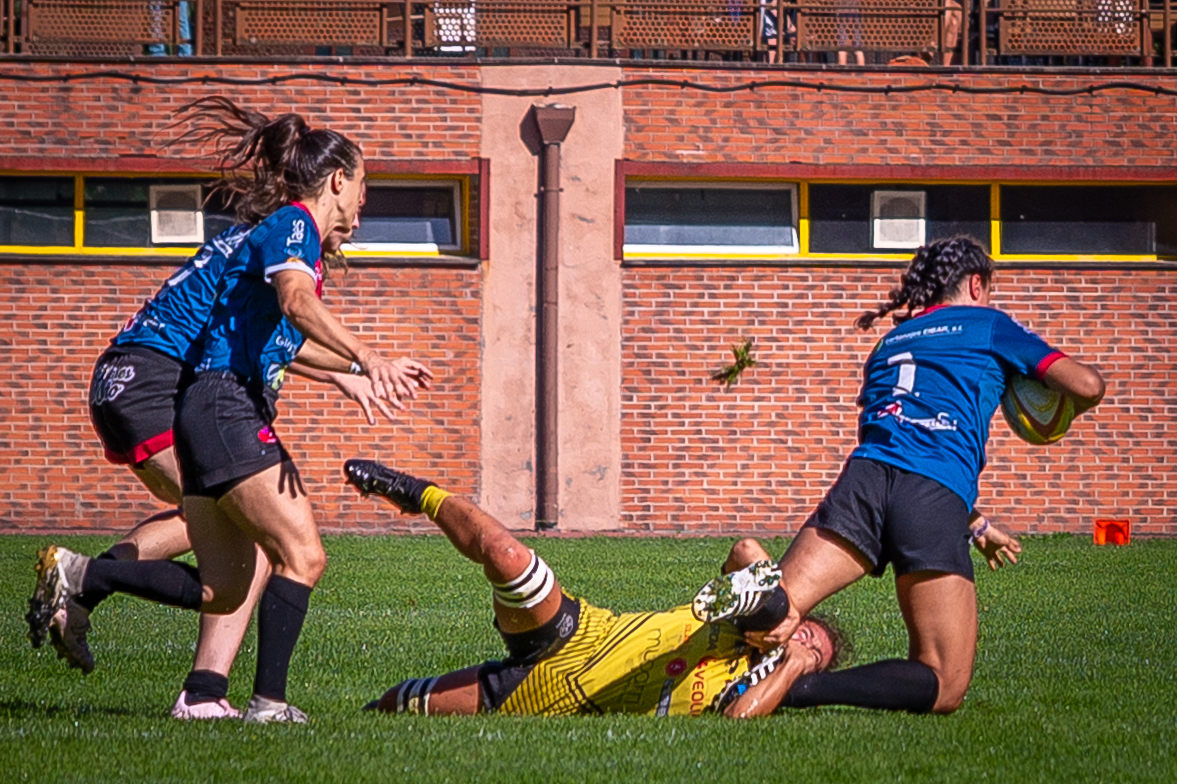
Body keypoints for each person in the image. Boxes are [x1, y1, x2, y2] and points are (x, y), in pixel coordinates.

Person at [28, 97, 432, 724]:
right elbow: (293, 307)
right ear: (337, 180)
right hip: (164, 381)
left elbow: (269, 336)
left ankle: (178, 669)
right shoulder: (292, 227)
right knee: (278, 546)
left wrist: (349, 375)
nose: (362, 211)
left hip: (156, 382)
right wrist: (367, 358)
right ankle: (201, 671)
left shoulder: (270, 235)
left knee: (239, 567)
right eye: (362, 190)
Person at [696, 236, 1104, 715]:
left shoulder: (889, 342)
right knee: (944, 681)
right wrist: (1045, 401)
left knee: (779, 613)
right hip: (930, 494)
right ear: (977, 285)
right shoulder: (990, 324)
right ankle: (800, 688)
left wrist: (974, 522)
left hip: (863, 482)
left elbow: (900, 447)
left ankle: (723, 628)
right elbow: (1087, 385)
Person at [342, 459, 843, 718]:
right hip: (578, 634)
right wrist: (781, 606)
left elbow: (740, 720)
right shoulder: (740, 617)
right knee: (505, 554)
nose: (802, 642)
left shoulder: (748, 690)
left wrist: (795, 664)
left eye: (814, 652)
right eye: (807, 632)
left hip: (546, 698)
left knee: (392, 707)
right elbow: (744, 549)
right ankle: (416, 494)